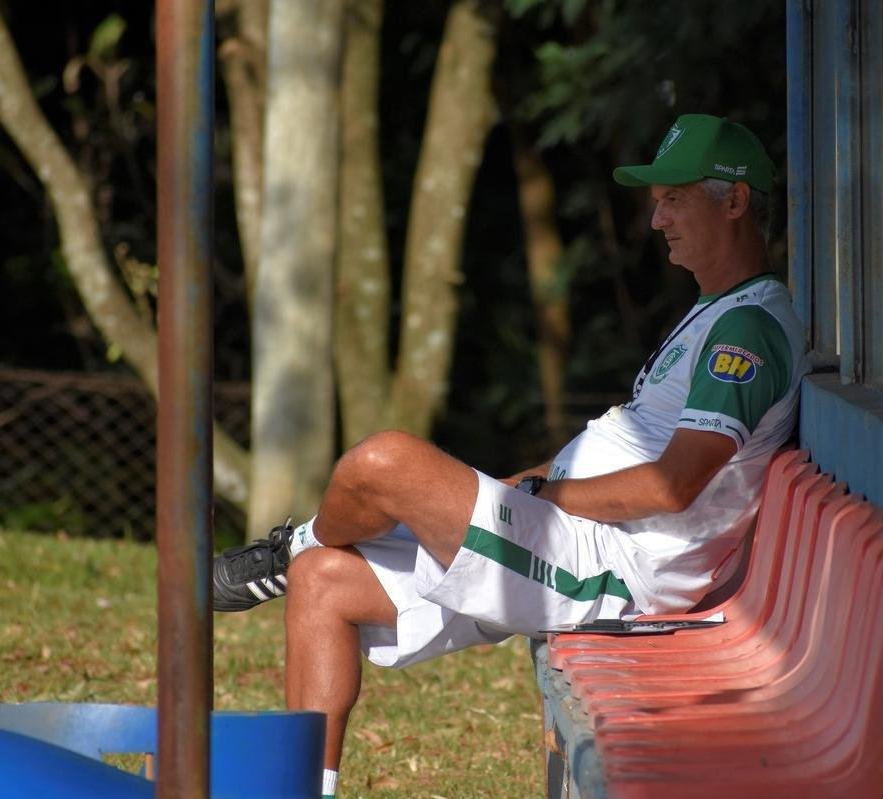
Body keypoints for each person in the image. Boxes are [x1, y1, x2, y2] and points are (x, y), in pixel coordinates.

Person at [211, 113, 806, 799]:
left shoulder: (750, 328)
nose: (656, 219)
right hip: (572, 541)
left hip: (614, 569)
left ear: (733, 201)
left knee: (384, 462)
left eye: (674, 197)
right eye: (656, 200)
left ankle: (291, 545)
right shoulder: (716, 310)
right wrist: (532, 484)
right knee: (322, 584)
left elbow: (675, 486)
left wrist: (546, 498)